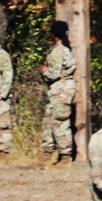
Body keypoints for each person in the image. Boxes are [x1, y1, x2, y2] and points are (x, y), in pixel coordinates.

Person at [39, 20, 76, 165]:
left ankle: (65, 157)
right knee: (50, 119)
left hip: (60, 90)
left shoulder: (57, 51)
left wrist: (44, 71)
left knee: (59, 122)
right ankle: (47, 154)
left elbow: (53, 74)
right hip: (62, 90)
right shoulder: (67, 49)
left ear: (53, 33)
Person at [0, 30, 13, 160]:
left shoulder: (1, 55)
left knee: (0, 126)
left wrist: (0, 94)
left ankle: (3, 155)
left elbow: (7, 74)